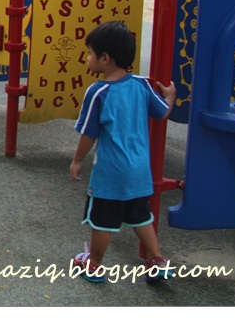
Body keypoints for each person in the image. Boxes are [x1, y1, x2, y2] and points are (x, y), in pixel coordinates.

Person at [69, 20, 176, 283]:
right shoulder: (140, 85)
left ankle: (93, 265)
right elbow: (162, 112)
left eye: (90, 52)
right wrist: (171, 96)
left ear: (104, 58)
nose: (87, 57)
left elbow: (89, 133)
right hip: (139, 170)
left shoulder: (99, 92)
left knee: (102, 221)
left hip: (111, 172)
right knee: (140, 216)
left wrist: (77, 160)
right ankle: (158, 260)